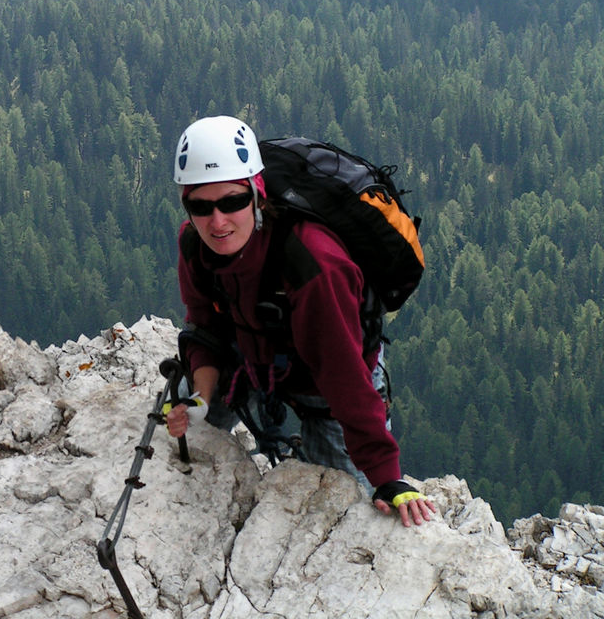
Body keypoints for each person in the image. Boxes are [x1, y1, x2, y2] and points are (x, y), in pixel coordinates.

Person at [167, 115, 436, 528]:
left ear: (256, 194)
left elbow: (343, 376)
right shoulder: (195, 244)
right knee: (183, 427)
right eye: (200, 206)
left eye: (232, 202)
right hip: (250, 363)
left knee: (346, 516)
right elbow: (205, 328)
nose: (217, 222)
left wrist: (386, 475)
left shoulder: (313, 265)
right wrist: (200, 398)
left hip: (328, 391)